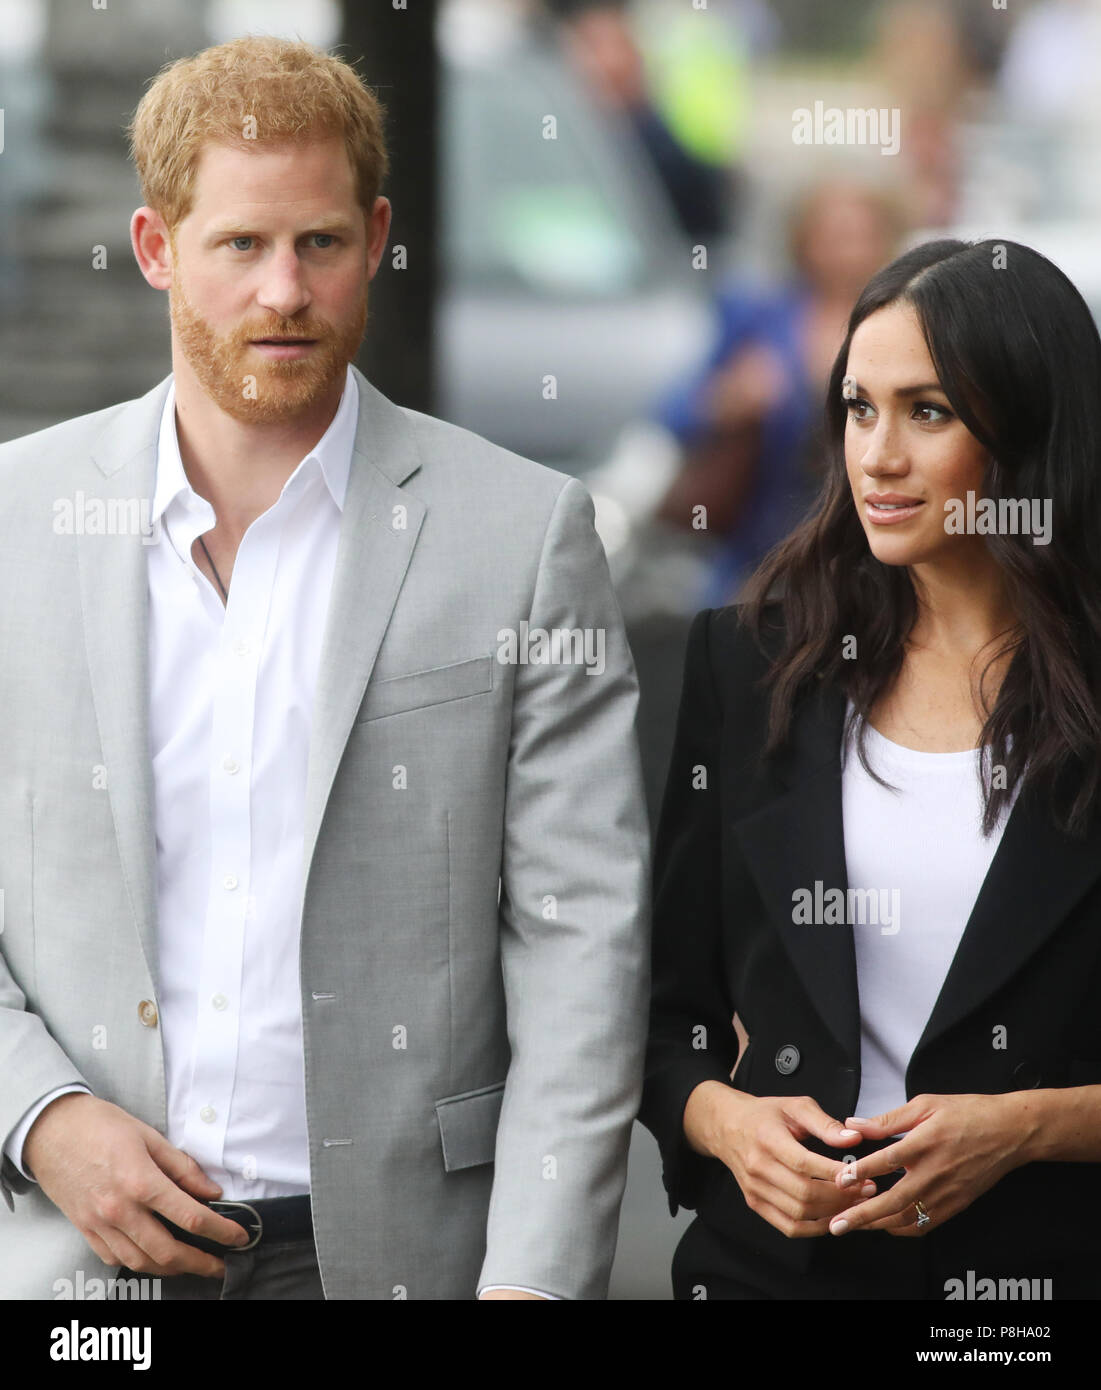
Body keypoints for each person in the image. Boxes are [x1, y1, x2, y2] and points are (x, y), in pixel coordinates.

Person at [0, 35, 650, 1301]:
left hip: (391, 1259)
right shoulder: (12, 522)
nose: (285, 292)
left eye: (322, 243)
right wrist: (41, 1114)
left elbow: (585, 946)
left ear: (379, 235)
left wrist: (533, 1285)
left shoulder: (520, 534)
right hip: (78, 1267)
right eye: (240, 245)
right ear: (154, 249)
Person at [640, 236, 1101, 1299]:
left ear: (1028, 430)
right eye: (858, 407)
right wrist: (729, 1124)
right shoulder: (752, 662)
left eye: (927, 411)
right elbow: (668, 1014)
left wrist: (1024, 1128)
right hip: (772, 1273)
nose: (878, 456)